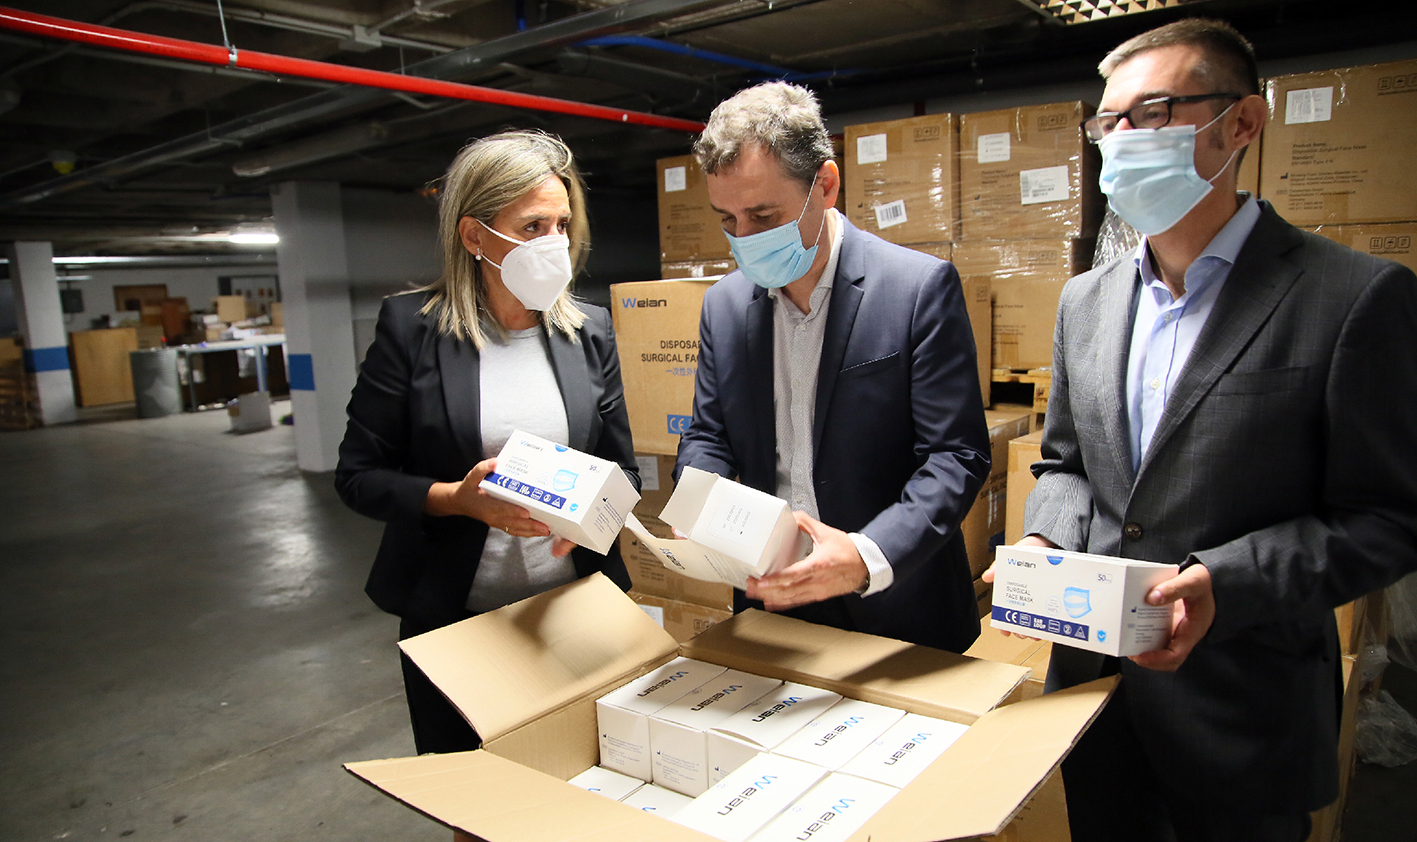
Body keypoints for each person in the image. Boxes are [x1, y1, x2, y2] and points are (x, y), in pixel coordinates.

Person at [984, 18, 1417, 841]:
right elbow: (1069, 465)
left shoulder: (1351, 298)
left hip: (1244, 711)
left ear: (1241, 124)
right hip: (1093, 696)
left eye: (1150, 113)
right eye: (1106, 123)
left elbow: (1388, 519)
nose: (1120, 141)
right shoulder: (1087, 300)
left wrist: (1228, 583)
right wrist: (1042, 541)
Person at [335, 129, 637, 755]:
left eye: (561, 224)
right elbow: (358, 475)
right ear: (475, 236)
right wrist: (454, 497)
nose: (553, 243)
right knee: (473, 791)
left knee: (577, 774)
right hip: (454, 616)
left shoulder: (592, 332)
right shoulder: (410, 332)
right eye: (531, 228)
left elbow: (622, 469)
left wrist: (592, 516)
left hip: (572, 608)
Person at [675, 82, 991, 653]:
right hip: (772, 605)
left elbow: (955, 456)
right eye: (727, 220)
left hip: (899, 608)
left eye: (763, 215)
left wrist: (866, 556)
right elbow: (709, 433)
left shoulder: (916, 289)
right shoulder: (723, 305)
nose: (743, 240)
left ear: (825, 184)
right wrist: (698, 501)